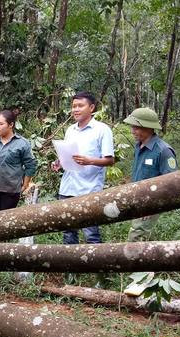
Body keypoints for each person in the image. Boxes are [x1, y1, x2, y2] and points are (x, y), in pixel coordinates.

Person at [52, 91, 115, 245]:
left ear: (91, 108)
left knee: (91, 232)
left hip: (89, 189)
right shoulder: (70, 130)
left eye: (80, 106)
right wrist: (59, 162)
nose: (76, 109)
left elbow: (110, 160)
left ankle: (96, 266)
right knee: (68, 230)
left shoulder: (101, 130)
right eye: (74, 106)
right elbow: (68, 155)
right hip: (67, 188)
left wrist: (89, 161)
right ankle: (70, 265)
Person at [123, 107, 178, 241]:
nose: (132, 131)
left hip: (150, 201)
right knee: (140, 232)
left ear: (149, 128)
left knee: (137, 234)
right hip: (137, 197)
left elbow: (171, 182)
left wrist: (152, 204)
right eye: (132, 127)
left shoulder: (163, 151)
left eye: (136, 127)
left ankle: (133, 260)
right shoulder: (138, 146)